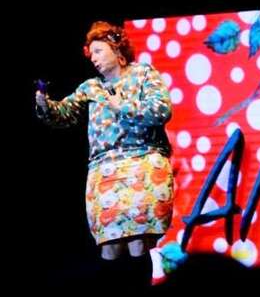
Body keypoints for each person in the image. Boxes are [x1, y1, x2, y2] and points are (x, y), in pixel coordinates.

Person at [35, 21, 174, 284]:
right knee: (109, 246)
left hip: (142, 163)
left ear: (115, 46)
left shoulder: (143, 73)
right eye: (92, 54)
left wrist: (124, 105)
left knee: (137, 242)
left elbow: (162, 111)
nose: (94, 59)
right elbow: (63, 115)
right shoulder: (91, 87)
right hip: (104, 170)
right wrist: (45, 104)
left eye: (98, 51)